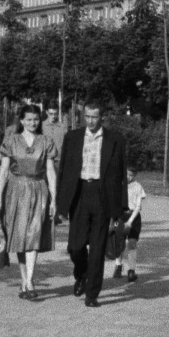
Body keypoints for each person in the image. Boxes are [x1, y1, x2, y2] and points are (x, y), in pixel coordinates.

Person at [54, 99, 128, 308]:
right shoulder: (73, 137)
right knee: (75, 247)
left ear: (101, 117)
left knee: (97, 248)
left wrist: (121, 207)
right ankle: (82, 275)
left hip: (103, 196)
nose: (91, 121)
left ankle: (92, 294)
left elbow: (122, 174)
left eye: (94, 117)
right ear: (83, 116)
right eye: (87, 116)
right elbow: (64, 171)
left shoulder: (116, 139)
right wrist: (61, 203)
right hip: (79, 193)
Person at [0, 104, 59, 299]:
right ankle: (24, 281)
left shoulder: (46, 141)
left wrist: (54, 199)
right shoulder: (11, 141)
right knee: (19, 236)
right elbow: (4, 171)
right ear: (21, 120)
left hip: (39, 190)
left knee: (34, 234)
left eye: (36, 119)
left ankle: (29, 281)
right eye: (29, 119)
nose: (33, 123)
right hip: (15, 191)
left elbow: (50, 171)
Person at [113, 169, 147, 283]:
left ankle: (131, 270)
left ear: (135, 175)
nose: (128, 177)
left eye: (131, 175)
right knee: (118, 242)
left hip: (133, 217)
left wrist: (130, 221)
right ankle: (118, 265)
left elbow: (138, 206)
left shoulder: (138, 187)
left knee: (132, 243)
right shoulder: (119, 185)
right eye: (126, 174)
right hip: (120, 216)